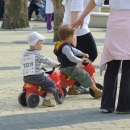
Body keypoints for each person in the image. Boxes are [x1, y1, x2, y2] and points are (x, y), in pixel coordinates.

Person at [72, 0, 130, 114]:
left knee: (112, 65)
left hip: (115, 24)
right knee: (128, 68)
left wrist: (81, 17)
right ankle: (124, 106)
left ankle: (107, 104)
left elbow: (94, 1)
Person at [54, 24, 102, 99]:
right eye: (73, 36)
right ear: (70, 37)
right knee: (84, 75)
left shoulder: (60, 44)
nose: (73, 37)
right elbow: (71, 57)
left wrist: (82, 53)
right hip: (69, 68)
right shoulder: (65, 47)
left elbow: (74, 50)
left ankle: (72, 89)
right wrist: (80, 60)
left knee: (76, 74)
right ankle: (96, 91)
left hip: (66, 67)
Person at [62, 0, 98, 95]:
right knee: (91, 54)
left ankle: (72, 86)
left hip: (72, 26)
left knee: (76, 58)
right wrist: (73, 33)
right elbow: (74, 11)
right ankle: (76, 80)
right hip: (78, 28)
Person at [22, 32, 59, 107]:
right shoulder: (38, 54)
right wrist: (55, 64)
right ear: (35, 43)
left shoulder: (25, 53)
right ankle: (47, 100)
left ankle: (26, 95)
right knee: (51, 84)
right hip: (37, 77)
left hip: (26, 77)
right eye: (41, 43)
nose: (43, 45)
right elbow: (47, 60)